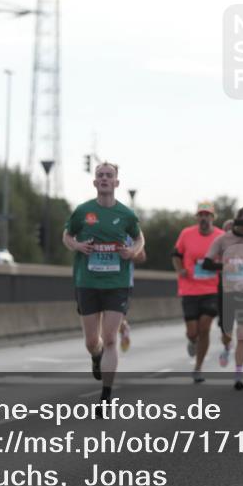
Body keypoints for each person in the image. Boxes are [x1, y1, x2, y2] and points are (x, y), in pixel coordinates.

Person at [62, 162, 144, 415]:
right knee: (91, 341)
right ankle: (95, 357)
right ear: (95, 182)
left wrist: (132, 251)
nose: (105, 179)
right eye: (101, 176)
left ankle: (106, 396)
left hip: (116, 284)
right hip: (87, 282)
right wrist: (76, 246)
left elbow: (140, 238)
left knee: (110, 338)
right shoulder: (83, 211)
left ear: (117, 182)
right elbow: (67, 235)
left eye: (109, 176)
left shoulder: (127, 215)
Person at [203, 206, 243, 390]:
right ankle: (226, 347)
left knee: (241, 335)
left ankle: (238, 375)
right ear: (236, 221)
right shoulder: (223, 239)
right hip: (226, 292)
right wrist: (223, 267)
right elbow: (207, 263)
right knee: (227, 334)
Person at [172, 202, 225, 383]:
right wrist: (180, 270)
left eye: (207, 215)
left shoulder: (220, 236)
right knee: (192, 332)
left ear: (212, 217)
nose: (204, 218)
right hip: (189, 288)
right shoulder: (186, 234)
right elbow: (176, 255)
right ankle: (192, 341)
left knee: (205, 328)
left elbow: (228, 258)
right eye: (201, 215)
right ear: (197, 218)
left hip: (211, 288)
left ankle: (198, 367)